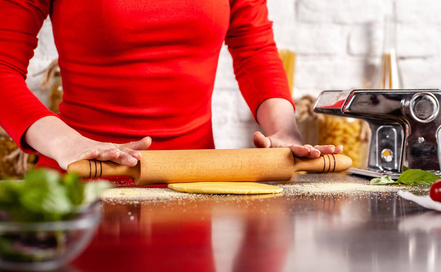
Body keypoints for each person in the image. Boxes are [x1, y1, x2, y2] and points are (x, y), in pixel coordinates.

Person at [0, 0, 342, 173]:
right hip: (82, 184)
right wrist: (66, 143)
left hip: (195, 188)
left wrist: (283, 131)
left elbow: (254, 48)